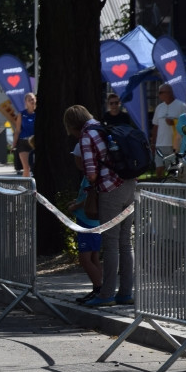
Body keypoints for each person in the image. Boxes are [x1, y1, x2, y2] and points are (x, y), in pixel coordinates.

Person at [64, 104, 135, 307]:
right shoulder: (103, 127)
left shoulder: (87, 135)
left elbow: (92, 173)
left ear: (71, 124)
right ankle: (125, 293)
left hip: (111, 189)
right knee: (125, 242)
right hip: (129, 185)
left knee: (111, 243)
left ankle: (106, 295)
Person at [66, 144, 103, 304]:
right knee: (94, 257)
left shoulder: (90, 173)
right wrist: (77, 201)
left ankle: (99, 287)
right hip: (90, 222)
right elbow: (85, 195)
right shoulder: (88, 174)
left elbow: (90, 196)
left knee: (85, 258)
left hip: (88, 223)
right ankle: (98, 288)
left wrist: (75, 206)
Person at [151, 84, 186, 180]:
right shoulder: (159, 107)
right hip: (160, 144)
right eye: (159, 93)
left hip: (174, 145)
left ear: (170, 92)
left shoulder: (181, 106)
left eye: (161, 92)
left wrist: (174, 122)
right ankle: (160, 190)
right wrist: (153, 143)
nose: (159, 95)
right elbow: (155, 126)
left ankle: (172, 190)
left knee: (173, 171)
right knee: (159, 169)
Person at [13, 92, 36, 177]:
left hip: (35, 142)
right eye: (29, 100)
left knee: (36, 167)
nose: (31, 101)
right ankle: (25, 187)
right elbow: (18, 130)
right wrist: (14, 143)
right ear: (25, 102)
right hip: (23, 142)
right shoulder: (22, 114)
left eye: (33, 99)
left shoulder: (39, 113)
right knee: (26, 168)